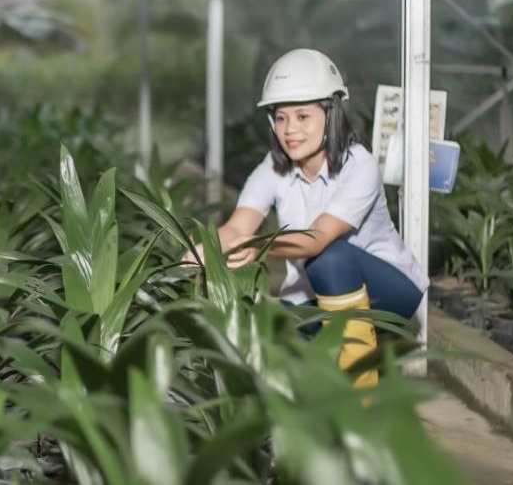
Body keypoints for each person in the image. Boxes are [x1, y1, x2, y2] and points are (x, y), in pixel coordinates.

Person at [183, 48, 427, 388]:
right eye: (280, 117)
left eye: (302, 116)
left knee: (328, 258)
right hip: (314, 299)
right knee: (260, 333)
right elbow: (238, 226)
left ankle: (358, 398)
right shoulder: (272, 168)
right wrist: (196, 255)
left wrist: (257, 248)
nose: (289, 129)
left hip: (390, 292)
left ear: (331, 114)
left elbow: (317, 239)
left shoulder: (360, 165)